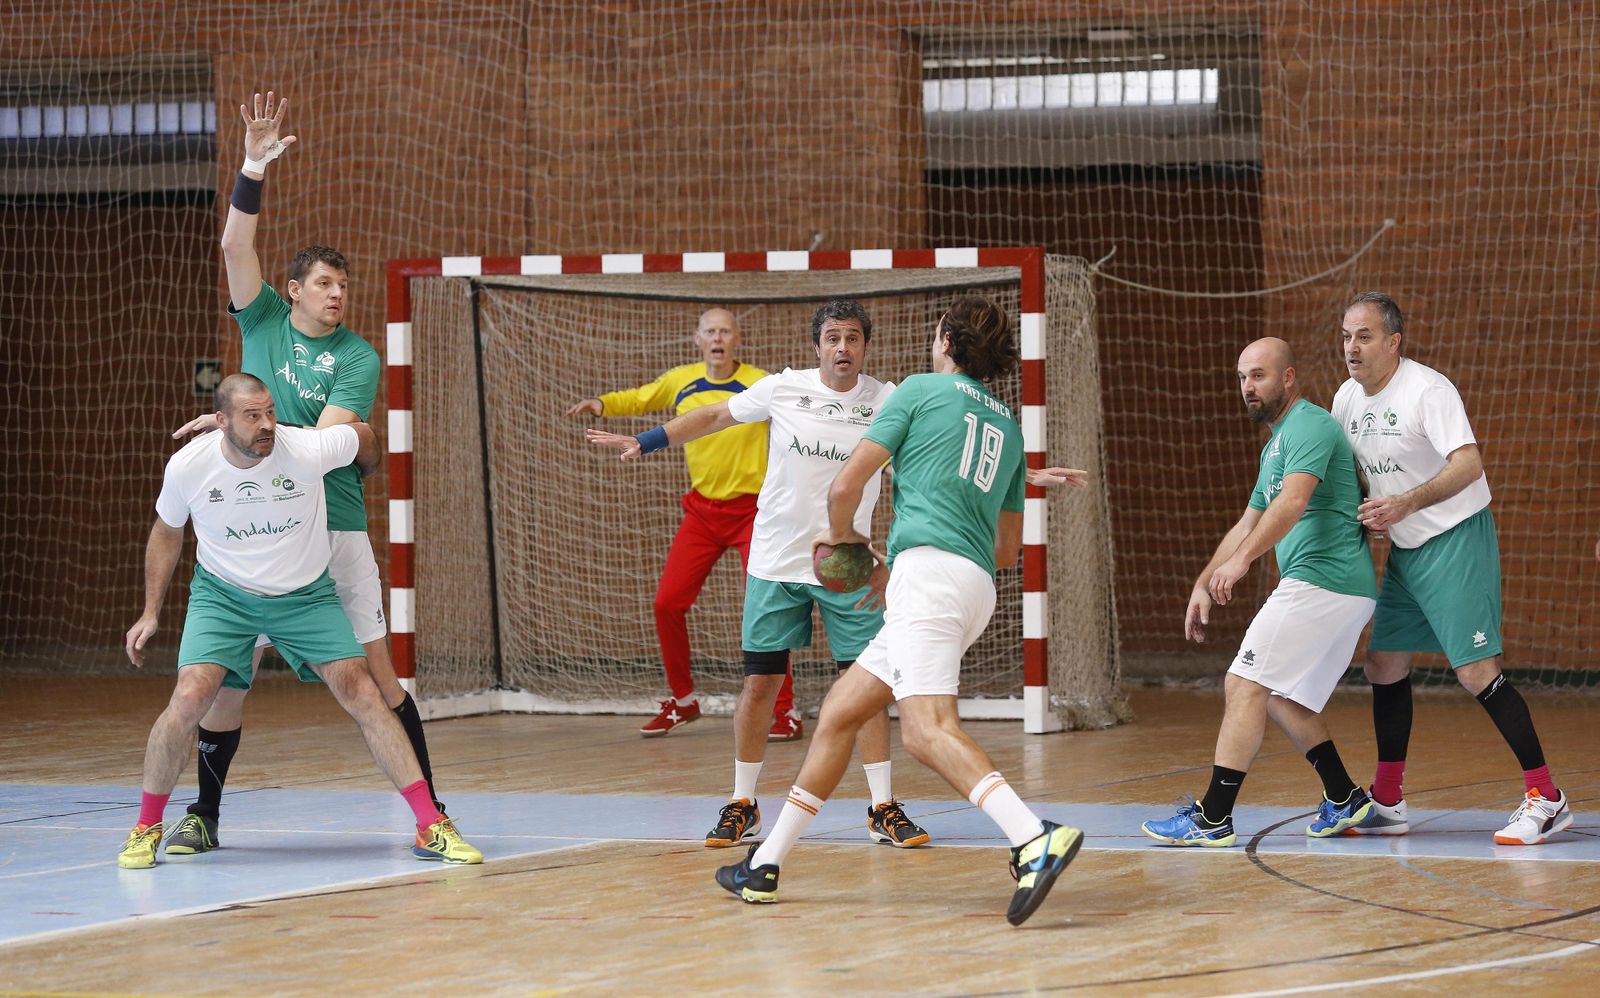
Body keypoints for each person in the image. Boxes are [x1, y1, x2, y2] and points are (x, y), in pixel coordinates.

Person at [711, 296, 1085, 927]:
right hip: (972, 588)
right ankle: (765, 865)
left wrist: (847, 545)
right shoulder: (1009, 426)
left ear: (944, 339)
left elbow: (844, 486)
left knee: (924, 730)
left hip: (927, 578)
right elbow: (1004, 551)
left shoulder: (915, 390)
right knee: (839, 711)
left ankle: (1032, 836)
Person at [161, 91, 447, 859]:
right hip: (250, 522)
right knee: (224, 680)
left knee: (374, 675)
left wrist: (238, 419)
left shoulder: (354, 356)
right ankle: (205, 816)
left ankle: (433, 810)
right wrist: (253, 163)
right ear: (292, 291)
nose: (337, 295)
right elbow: (234, 249)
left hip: (333, 521)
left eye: (342, 287)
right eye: (324, 284)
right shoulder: (258, 319)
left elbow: (331, 441)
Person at [588, 301, 931, 851]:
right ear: (816, 346)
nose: (842, 347)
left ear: (866, 347)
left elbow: (935, 455)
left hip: (846, 564)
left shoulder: (886, 401)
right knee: (759, 686)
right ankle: (743, 802)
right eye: (833, 337)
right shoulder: (784, 388)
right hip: (775, 561)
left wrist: (1020, 471)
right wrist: (647, 440)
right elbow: (714, 417)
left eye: (853, 338)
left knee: (865, 691)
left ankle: (882, 805)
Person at [119, 375, 481, 869]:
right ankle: (146, 827)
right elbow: (166, 532)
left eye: (269, 412)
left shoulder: (306, 448)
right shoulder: (189, 465)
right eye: (252, 416)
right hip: (224, 598)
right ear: (220, 421)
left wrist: (362, 461)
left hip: (305, 596)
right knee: (190, 697)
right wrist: (151, 611)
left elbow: (366, 438)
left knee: (363, 690)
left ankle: (430, 823)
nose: (266, 424)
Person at [1333, 293, 1572, 844]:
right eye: (1347, 336)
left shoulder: (1428, 390)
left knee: (1474, 672)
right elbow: (1353, 473)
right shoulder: (1345, 399)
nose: (1352, 347)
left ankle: (1547, 797)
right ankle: (1388, 800)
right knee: (1383, 665)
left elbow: (1469, 463)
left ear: (1394, 343)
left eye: (1364, 336)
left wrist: (1405, 504)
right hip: (1407, 546)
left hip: (1455, 536)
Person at [1142, 337, 1378, 848]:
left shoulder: (1310, 425)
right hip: (1336, 587)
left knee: (1243, 684)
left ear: (1289, 378)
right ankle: (1344, 796)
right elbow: (1248, 520)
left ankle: (1213, 816)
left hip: (1324, 579)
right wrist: (1204, 581)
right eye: (1243, 377)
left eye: (1260, 376)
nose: (1248, 387)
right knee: (1283, 698)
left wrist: (1243, 563)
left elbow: (1291, 504)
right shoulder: (1275, 444)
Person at [565, 309, 801, 739]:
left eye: (725, 331)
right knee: (667, 603)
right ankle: (684, 700)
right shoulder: (682, 379)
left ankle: (784, 711)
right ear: (698, 338)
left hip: (755, 514)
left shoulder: (760, 382)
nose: (717, 337)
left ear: (737, 339)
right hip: (703, 514)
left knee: (766, 611)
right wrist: (603, 405)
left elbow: (800, 416)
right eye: (710, 331)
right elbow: (642, 397)